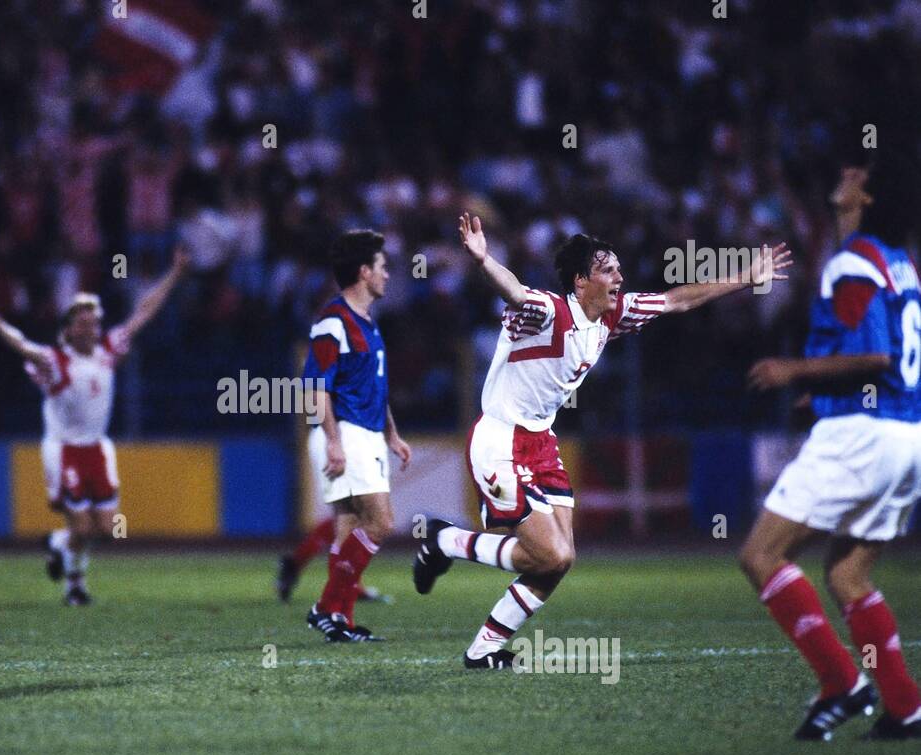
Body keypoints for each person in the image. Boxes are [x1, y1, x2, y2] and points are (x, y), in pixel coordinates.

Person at [414, 212, 789, 669]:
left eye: (618, 268)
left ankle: (484, 650)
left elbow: (677, 301)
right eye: (608, 270)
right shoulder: (548, 312)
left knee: (561, 560)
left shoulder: (614, 314)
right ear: (580, 281)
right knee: (547, 553)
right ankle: (446, 542)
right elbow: (512, 289)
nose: (619, 277)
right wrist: (483, 259)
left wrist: (747, 277)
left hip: (541, 442)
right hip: (500, 439)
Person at [740, 150, 921, 741]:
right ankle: (904, 706)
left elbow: (874, 355)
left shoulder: (854, 262)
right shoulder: (899, 264)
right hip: (904, 433)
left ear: (866, 199)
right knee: (848, 575)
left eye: (859, 176)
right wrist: (823, 393)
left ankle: (842, 683)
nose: (846, 173)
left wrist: (795, 371)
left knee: (762, 555)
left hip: (863, 439)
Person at [0, 250, 188, 605]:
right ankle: (75, 585)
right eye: (83, 323)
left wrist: (175, 273)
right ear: (69, 329)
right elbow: (25, 348)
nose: (91, 328)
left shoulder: (109, 350)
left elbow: (144, 312)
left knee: (106, 529)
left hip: (97, 448)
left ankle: (57, 543)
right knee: (82, 526)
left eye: (94, 322)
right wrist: (0, 328)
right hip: (64, 449)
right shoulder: (56, 362)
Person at [301, 230, 412, 642]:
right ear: (364, 272)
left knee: (349, 527)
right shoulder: (333, 321)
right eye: (382, 267)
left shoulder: (367, 322)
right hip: (345, 432)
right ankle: (326, 607)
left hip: (366, 433)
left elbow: (374, 388)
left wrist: (393, 435)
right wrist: (332, 440)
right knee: (381, 522)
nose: (387, 274)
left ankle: (340, 621)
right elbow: (315, 387)